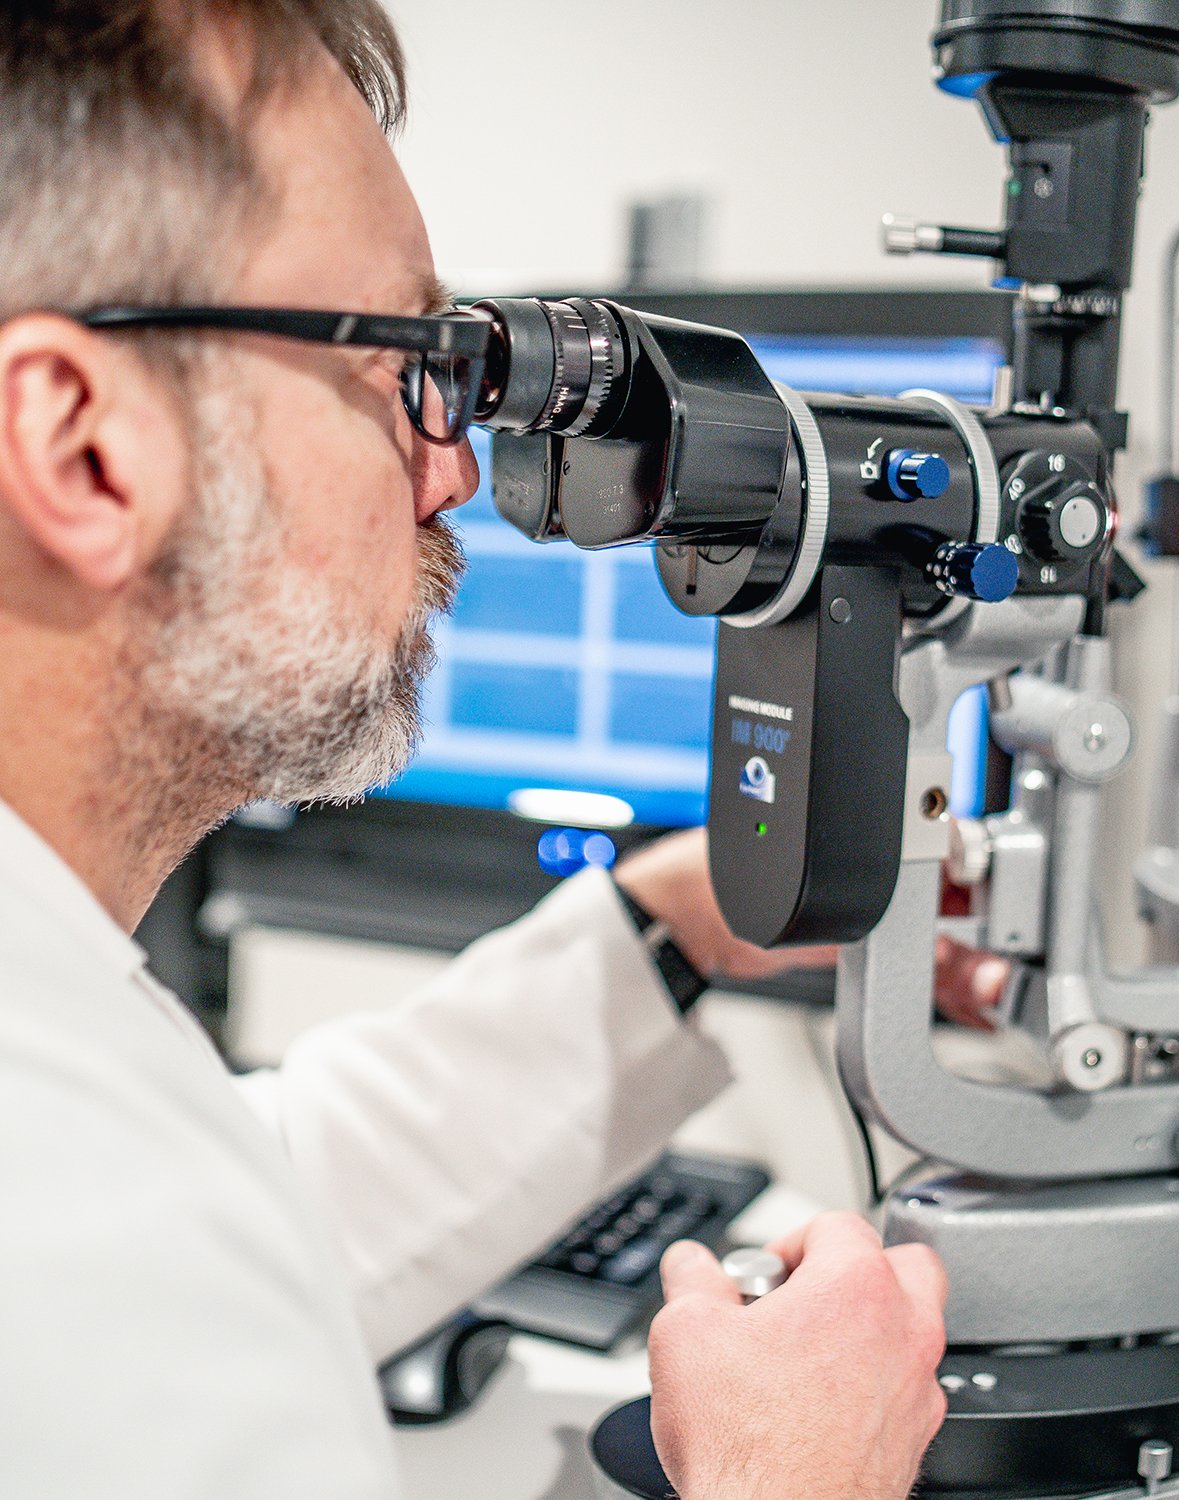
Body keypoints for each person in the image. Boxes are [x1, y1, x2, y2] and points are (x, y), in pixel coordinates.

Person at [0, 3, 1009, 1496]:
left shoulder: (77, 1142)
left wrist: (678, 926)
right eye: (399, 366)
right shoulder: (83, 1257)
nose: (455, 466)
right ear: (83, 446)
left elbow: (248, 1205)